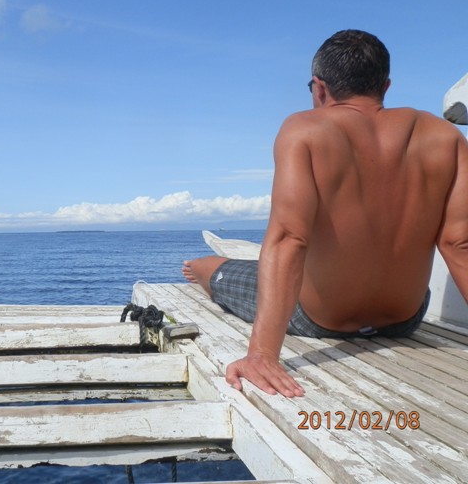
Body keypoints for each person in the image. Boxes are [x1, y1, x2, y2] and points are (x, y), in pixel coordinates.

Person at [182, 29, 468, 398]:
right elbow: (459, 245)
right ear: (385, 86)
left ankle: (202, 269)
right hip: (405, 319)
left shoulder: (304, 129)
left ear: (319, 88)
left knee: (211, 266)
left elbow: (290, 238)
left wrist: (262, 355)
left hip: (320, 320)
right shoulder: (446, 137)